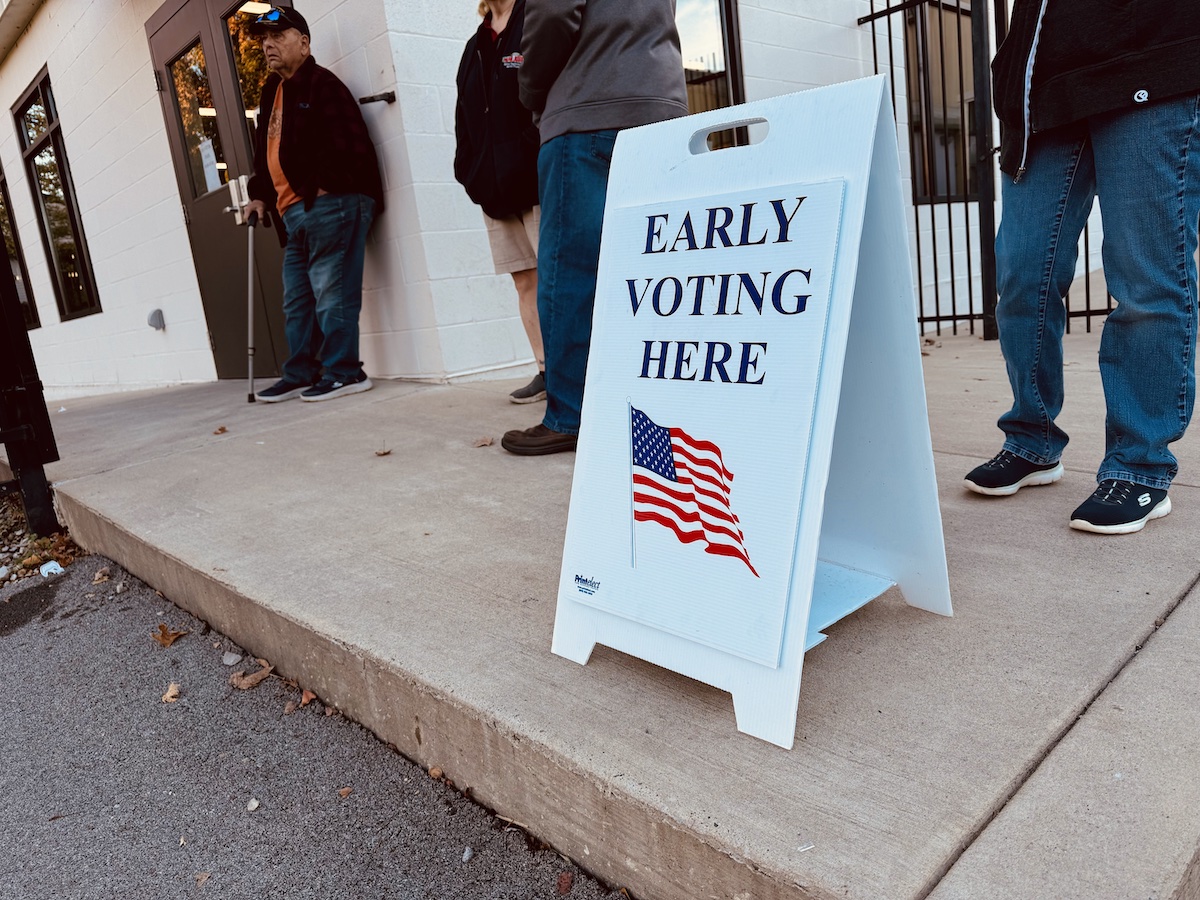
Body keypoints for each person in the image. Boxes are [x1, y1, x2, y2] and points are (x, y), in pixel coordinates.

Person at [963, 0, 1200, 535]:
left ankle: (1140, 464)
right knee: (1021, 280)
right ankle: (1032, 439)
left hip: (1151, 68)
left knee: (1146, 281)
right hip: (1042, 94)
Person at [501, 0, 688, 455]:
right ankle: (662, 402)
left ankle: (571, 414)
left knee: (571, 273)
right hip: (660, 107)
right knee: (656, 269)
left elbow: (552, 14)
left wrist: (529, 89)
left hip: (588, 110)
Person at [245, 7, 384, 403]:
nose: (268, 45)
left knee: (331, 290)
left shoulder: (323, 85)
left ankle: (345, 372)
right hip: (293, 213)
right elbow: (263, 155)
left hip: (330, 204)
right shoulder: (272, 93)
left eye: (277, 36)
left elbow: (350, 146)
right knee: (297, 299)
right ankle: (302, 371)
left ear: (304, 44)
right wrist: (259, 196)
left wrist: (320, 189)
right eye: (263, 39)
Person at [454, 0, 546, 405]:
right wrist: (469, 170)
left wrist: (530, 151)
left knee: (560, 279)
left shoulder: (535, 19)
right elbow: (464, 117)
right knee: (524, 281)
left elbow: (549, 93)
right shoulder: (475, 44)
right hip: (494, 189)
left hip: (538, 181)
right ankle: (547, 370)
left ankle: (582, 369)